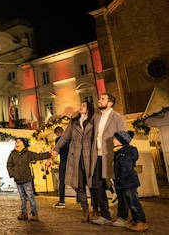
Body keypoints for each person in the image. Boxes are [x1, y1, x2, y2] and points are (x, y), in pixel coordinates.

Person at [51, 101, 95, 222]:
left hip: (89, 157)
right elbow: (65, 136)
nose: (80, 107)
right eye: (80, 105)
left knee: (92, 185)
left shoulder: (93, 121)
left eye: (83, 106)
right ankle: (85, 209)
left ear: (89, 109)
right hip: (75, 157)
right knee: (78, 185)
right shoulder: (74, 121)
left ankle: (95, 209)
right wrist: (56, 149)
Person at [90, 92, 128, 226]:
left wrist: (120, 155)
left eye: (102, 99)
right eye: (100, 98)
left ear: (110, 103)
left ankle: (123, 217)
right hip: (98, 156)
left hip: (113, 156)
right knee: (97, 184)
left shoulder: (118, 118)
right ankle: (105, 215)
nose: (99, 100)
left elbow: (124, 138)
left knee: (119, 185)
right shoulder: (96, 118)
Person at [7, 137, 51, 221]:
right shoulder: (13, 154)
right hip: (18, 179)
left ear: (23, 143)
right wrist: (12, 174)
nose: (17, 142)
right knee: (22, 197)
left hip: (26, 178)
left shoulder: (27, 153)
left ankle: (34, 212)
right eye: (16, 141)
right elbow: (9, 164)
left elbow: (38, 156)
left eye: (19, 141)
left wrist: (49, 154)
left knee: (30, 196)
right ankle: (24, 213)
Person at [113, 130, 148, 232]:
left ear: (121, 140)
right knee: (130, 203)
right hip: (125, 182)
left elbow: (125, 168)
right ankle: (135, 220)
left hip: (128, 182)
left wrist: (120, 180)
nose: (113, 141)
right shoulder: (120, 151)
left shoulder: (126, 152)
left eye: (115, 139)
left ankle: (141, 221)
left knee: (134, 203)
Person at [53, 126, 70, 208]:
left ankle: (62, 201)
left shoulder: (58, 140)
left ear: (57, 132)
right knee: (78, 181)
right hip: (72, 161)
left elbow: (57, 150)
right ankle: (81, 201)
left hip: (64, 161)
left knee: (62, 181)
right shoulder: (70, 138)